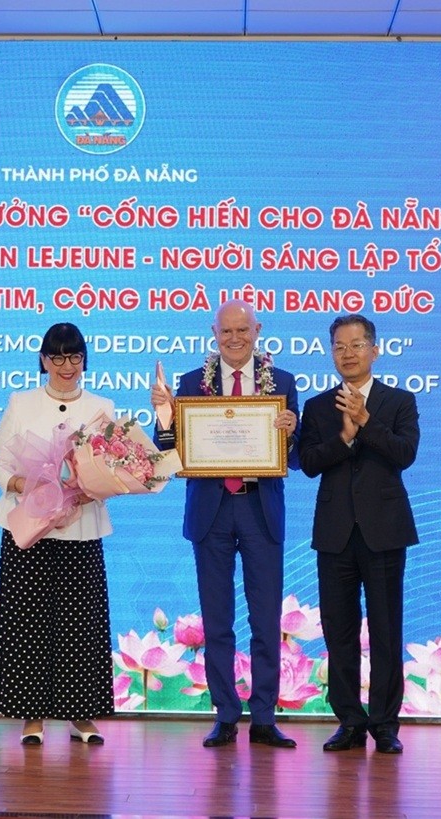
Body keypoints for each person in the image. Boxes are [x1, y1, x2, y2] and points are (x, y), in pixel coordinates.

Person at [150, 299, 300, 749]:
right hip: (211, 511)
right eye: (225, 332)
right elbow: (167, 447)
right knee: (217, 620)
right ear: (213, 334)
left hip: (259, 508)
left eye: (243, 330)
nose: (234, 339)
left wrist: (291, 431)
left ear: (258, 330)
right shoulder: (192, 382)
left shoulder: (285, 383)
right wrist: (164, 415)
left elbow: (295, 457)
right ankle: (225, 714)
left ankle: (265, 716)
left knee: (265, 618)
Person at [0, 323, 115, 746]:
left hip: (80, 526)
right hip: (29, 530)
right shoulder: (21, 402)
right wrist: (26, 487)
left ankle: (82, 715)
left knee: (81, 625)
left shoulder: (102, 407)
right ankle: (31, 715)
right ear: (43, 360)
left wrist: (91, 484)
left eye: (74, 357)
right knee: (27, 623)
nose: (66, 366)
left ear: (84, 361)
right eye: (56, 357)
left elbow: (114, 469)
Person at [298, 314, 419, 755]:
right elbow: (309, 463)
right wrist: (344, 439)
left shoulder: (398, 402)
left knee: (387, 631)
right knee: (339, 633)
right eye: (338, 346)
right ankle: (349, 720)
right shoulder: (316, 407)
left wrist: (366, 422)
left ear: (374, 349)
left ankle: (385, 724)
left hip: (384, 533)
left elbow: (404, 454)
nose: (347, 354)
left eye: (355, 345)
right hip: (334, 535)